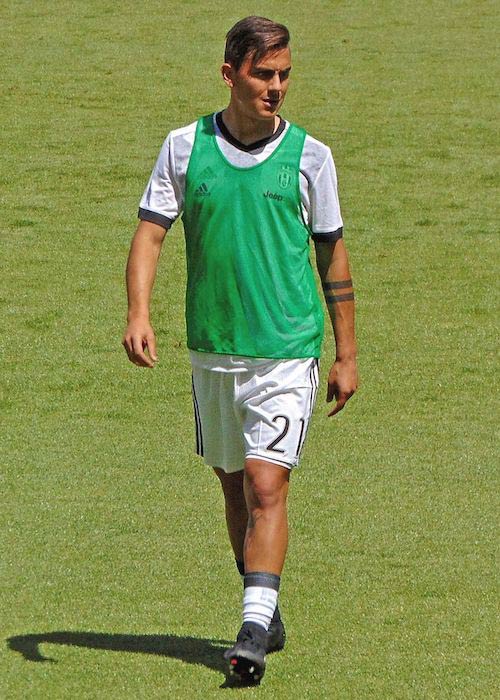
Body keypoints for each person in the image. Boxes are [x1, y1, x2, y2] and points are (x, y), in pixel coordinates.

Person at [123, 16, 358, 684]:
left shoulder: (312, 157)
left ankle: (252, 630)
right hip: (213, 349)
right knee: (233, 487)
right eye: (264, 74)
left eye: (285, 74)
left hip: (286, 350)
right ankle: (266, 601)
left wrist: (346, 352)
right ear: (230, 74)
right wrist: (139, 313)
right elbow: (150, 234)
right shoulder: (183, 146)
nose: (277, 87)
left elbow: (332, 252)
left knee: (265, 483)